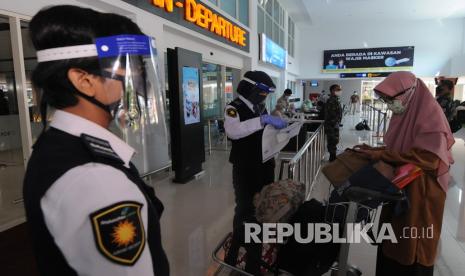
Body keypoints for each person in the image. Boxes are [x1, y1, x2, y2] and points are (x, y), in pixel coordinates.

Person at [22, 5, 169, 276]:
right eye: (131, 68)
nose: (139, 80)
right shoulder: (95, 180)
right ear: (84, 80)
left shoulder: (59, 144)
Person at [356, 72, 454, 276]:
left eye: (391, 99)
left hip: (422, 193)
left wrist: (383, 155)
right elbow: (399, 150)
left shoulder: (431, 117)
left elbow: (429, 158)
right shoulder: (406, 114)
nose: (391, 104)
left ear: (410, 92)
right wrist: (376, 151)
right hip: (403, 185)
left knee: (412, 241)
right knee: (394, 237)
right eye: (386, 100)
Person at [223, 71, 287, 274]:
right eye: (262, 92)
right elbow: (233, 131)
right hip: (245, 168)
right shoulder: (234, 108)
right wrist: (262, 121)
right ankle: (238, 254)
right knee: (244, 209)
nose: (264, 97)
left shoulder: (260, 107)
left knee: (262, 206)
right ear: (250, 89)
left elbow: (263, 133)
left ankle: (258, 249)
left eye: (266, 94)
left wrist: (280, 131)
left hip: (264, 164)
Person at [325, 84, 343, 162]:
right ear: (333, 91)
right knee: (332, 140)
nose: (340, 91)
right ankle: (332, 157)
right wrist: (335, 123)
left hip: (334, 124)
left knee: (335, 140)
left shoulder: (336, 99)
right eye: (338, 89)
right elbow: (331, 114)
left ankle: (333, 155)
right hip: (331, 125)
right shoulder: (331, 100)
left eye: (340, 89)